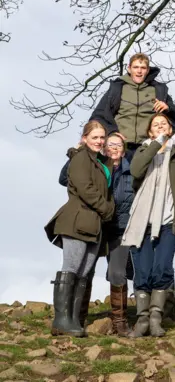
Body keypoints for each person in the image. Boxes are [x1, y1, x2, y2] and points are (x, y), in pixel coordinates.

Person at [121, 114, 175, 338]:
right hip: (142, 221)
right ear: (150, 131)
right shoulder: (144, 149)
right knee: (142, 269)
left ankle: (156, 317)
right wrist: (156, 143)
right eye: (156, 125)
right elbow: (136, 171)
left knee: (162, 267)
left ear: (171, 129)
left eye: (164, 124)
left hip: (169, 219)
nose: (161, 126)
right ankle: (142, 319)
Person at [58, 134, 135, 335]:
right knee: (86, 271)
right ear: (103, 148)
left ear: (124, 149)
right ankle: (77, 319)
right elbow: (64, 178)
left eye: (118, 144)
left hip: (120, 229)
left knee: (117, 272)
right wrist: (75, 152)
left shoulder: (133, 171)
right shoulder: (95, 167)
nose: (114, 148)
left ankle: (119, 321)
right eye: (110, 144)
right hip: (96, 227)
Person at [45, 121, 115, 337]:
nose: (99, 141)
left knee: (84, 272)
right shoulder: (80, 158)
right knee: (72, 266)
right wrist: (108, 209)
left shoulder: (99, 161)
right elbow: (86, 189)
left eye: (102, 137)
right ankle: (61, 320)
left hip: (94, 224)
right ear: (85, 138)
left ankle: (73, 319)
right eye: (95, 137)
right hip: (77, 220)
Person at [90, 53, 175, 158]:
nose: (139, 71)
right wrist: (112, 132)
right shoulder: (117, 88)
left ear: (148, 70)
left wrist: (169, 108)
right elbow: (97, 117)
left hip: (148, 148)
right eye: (135, 67)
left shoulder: (158, 90)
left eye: (143, 68)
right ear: (129, 69)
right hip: (121, 147)